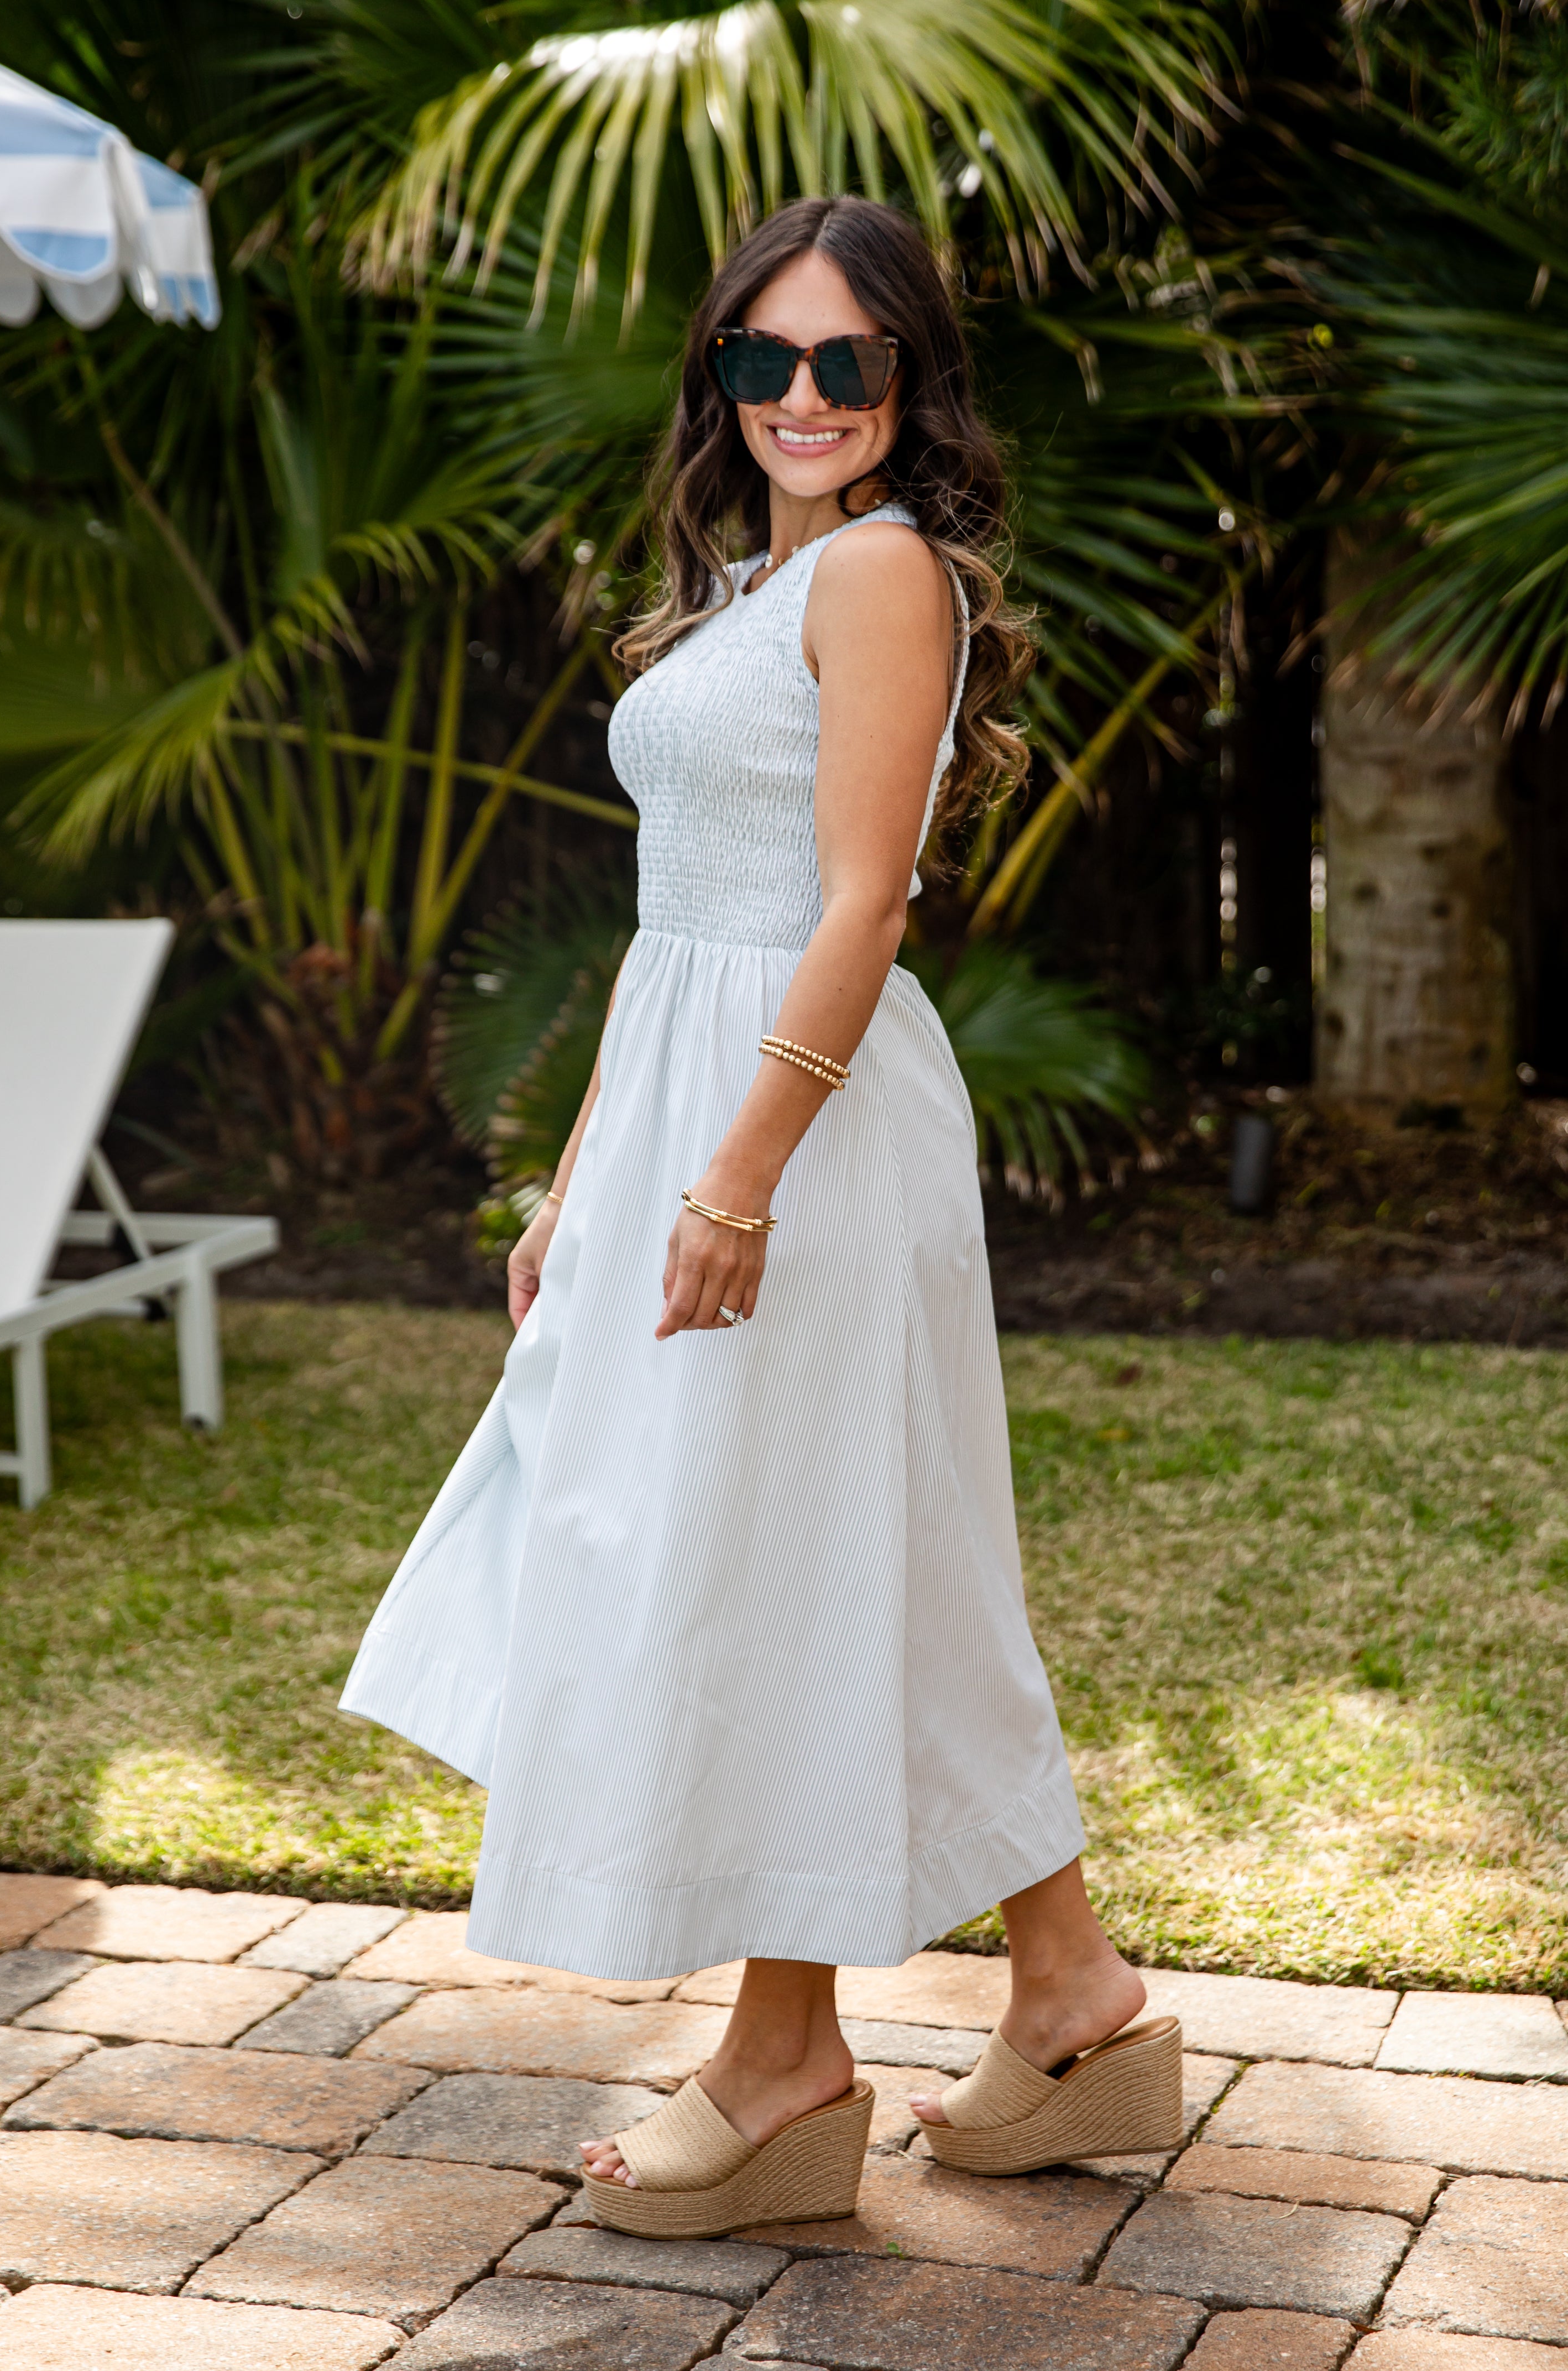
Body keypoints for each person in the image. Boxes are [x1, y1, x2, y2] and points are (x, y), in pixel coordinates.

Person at [340, 192, 1180, 2238]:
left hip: (797, 1128)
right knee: (828, 1558)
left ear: (908, 387)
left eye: (847, 364)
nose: (803, 398)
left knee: (766, 1563)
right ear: (718, 377)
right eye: (763, 361)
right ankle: (1070, 2004)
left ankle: (789, 2060)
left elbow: (859, 906)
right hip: (693, 1107)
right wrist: (591, 1163)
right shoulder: (748, 578)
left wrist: (735, 1174)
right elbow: (674, 925)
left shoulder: (884, 574)